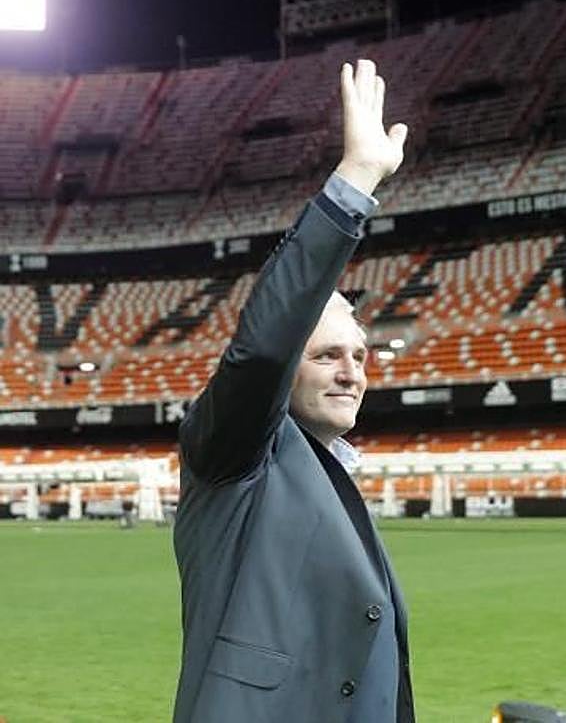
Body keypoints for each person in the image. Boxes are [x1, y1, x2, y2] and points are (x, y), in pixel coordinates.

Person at [171, 59, 415, 722]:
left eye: (360, 355)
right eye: (327, 355)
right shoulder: (235, 454)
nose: (351, 372)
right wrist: (356, 180)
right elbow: (262, 350)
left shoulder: (331, 468)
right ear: (287, 371)